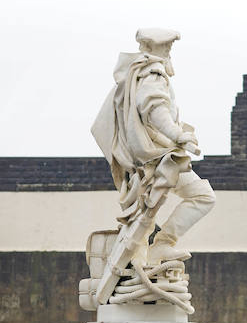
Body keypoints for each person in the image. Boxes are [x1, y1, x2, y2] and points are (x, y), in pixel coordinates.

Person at [91, 27, 215, 268]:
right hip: (159, 157)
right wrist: (178, 135)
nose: (169, 48)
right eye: (164, 44)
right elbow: (154, 109)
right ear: (149, 47)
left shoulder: (136, 73)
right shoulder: (153, 73)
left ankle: (144, 258)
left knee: (145, 215)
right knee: (202, 197)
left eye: (170, 44)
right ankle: (162, 245)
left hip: (149, 157)